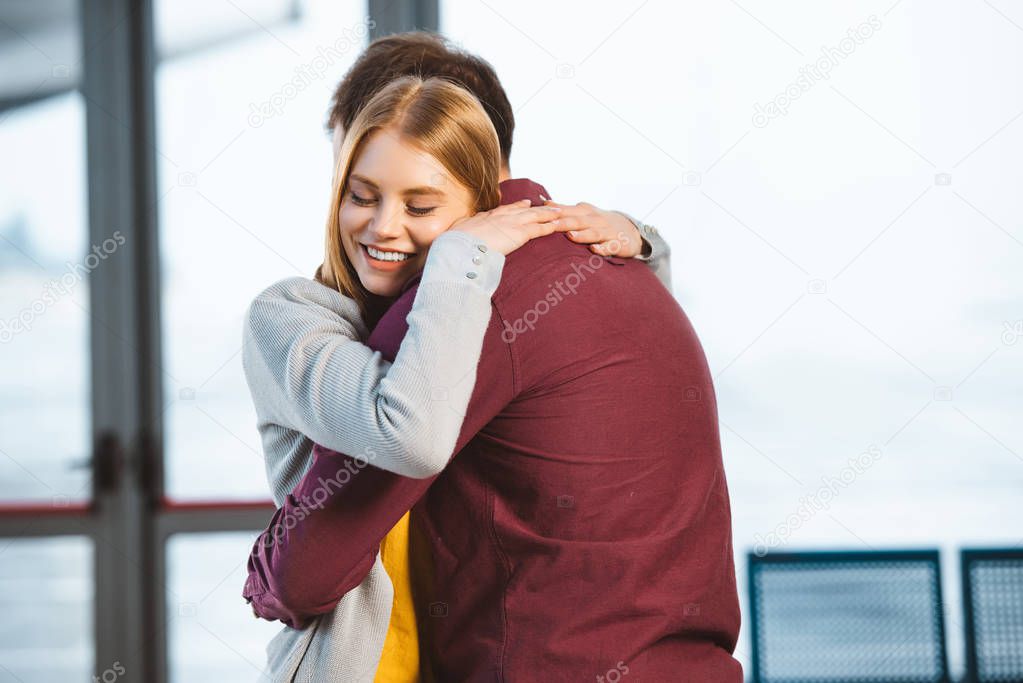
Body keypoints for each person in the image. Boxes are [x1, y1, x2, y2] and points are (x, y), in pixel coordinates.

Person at [245, 34, 742, 683]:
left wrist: (266, 576)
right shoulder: (617, 259)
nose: (379, 224)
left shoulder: (456, 305)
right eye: (359, 190)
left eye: (413, 196)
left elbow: (311, 569)